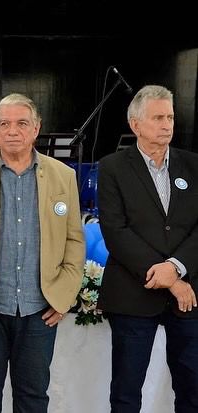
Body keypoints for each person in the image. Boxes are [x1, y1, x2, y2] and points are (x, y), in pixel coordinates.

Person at [0, 93, 85, 413]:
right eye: (4, 124)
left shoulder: (63, 176)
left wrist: (63, 296)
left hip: (39, 309)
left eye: (22, 123)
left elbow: (74, 242)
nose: (13, 131)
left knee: (34, 395)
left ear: (36, 129)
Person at [97, 85, 198, 413]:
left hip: (189, 294)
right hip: (133, 292)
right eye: (158, 117)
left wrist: (178, 266)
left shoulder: (194, 165)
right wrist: (169, 276)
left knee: (192, 386)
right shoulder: (112, 167)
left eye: (170, 116)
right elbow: (115, 230)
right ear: (136, 124)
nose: (167, 124)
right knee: (126, 391)